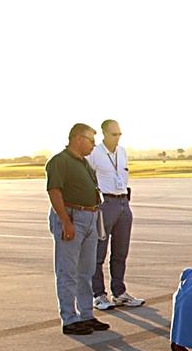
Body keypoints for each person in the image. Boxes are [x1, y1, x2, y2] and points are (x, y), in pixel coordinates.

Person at [45, 124, 111, 335]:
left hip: (90, 217)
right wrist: (65, 221)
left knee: (86, 271)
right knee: (67, 271)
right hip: (72, 217)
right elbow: (54, 191)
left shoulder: (84, 163)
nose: (93, 145)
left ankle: (86, 315)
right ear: (78, 139)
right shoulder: (60, 161)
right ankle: (69, 319)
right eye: (91, 140)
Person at [87, 118, 144, 310]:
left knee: (120, 252)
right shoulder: (94, 152)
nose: (117, 137)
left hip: (123, 203)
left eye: (119, 134)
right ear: (104, 133)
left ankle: (119, 292)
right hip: (105, 203)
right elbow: (87, 176)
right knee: (98, 252)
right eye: (114, 134)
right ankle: (99, 294)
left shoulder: (122, 152)